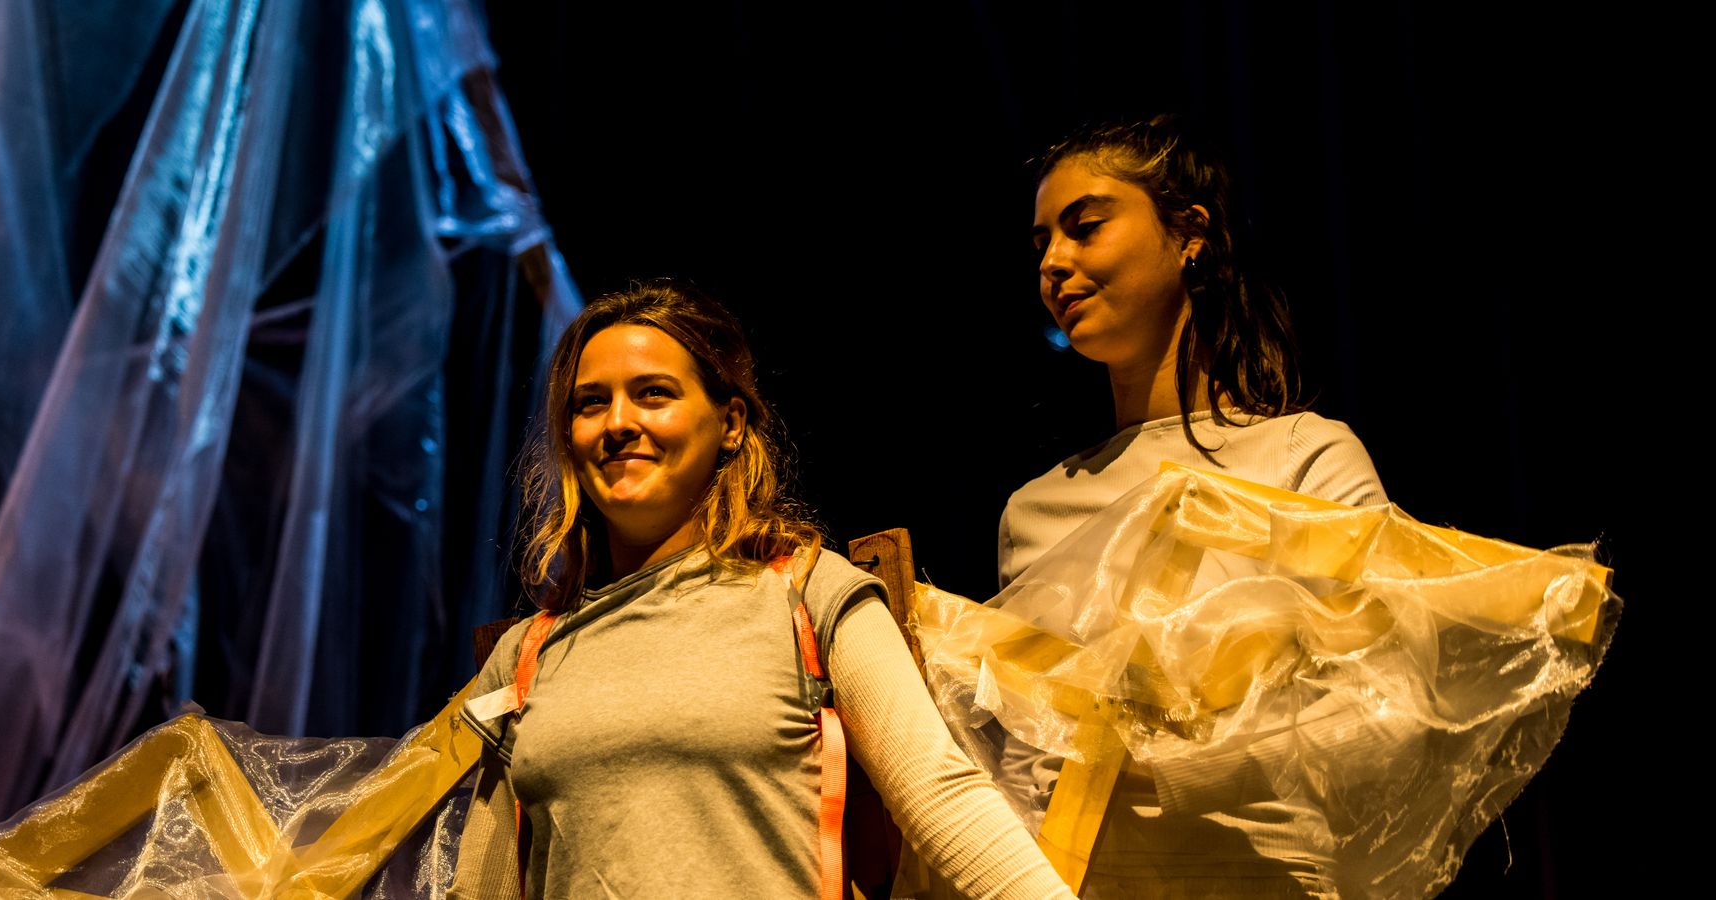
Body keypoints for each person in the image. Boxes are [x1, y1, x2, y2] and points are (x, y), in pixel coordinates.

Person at [445, 281, 1076, 899]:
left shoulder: (809, 593)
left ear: (730, 422)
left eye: (654, 394)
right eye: (589, 403)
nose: (618, 423)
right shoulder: (526, 656)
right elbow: (482, 887)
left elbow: (941, 797)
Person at [1000, 115, 1387, 898]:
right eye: (1042, 243)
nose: (1054, 262)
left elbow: (1382, 696)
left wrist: (1171, 751)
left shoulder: (1302, 458)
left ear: (1190, 235)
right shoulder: (1034, 511)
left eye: (1085, 227)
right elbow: (1024, 762)